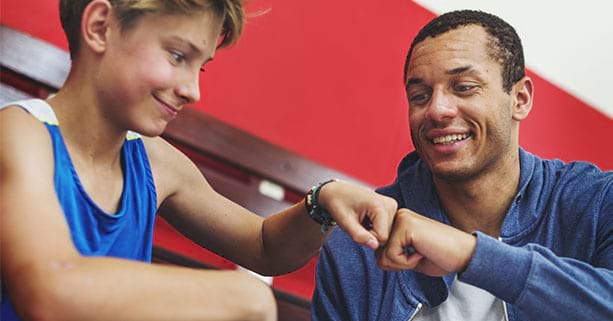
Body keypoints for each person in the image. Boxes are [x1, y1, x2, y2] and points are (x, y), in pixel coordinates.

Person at [0, 1, 399, 320]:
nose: (193, 90)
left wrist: (323, 202)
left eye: (201, 66)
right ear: (101, 26)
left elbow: (264, 246)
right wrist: (246, 298)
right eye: (177, 55)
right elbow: (49, 292)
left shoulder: (154, 163)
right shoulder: (19, 136)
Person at [311, 9, 613, 321]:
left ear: (520, 99)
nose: (436, 109)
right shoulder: (359, 244)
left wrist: (470, 254)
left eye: (464, 87)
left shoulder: (597, 201)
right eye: (419, 95)